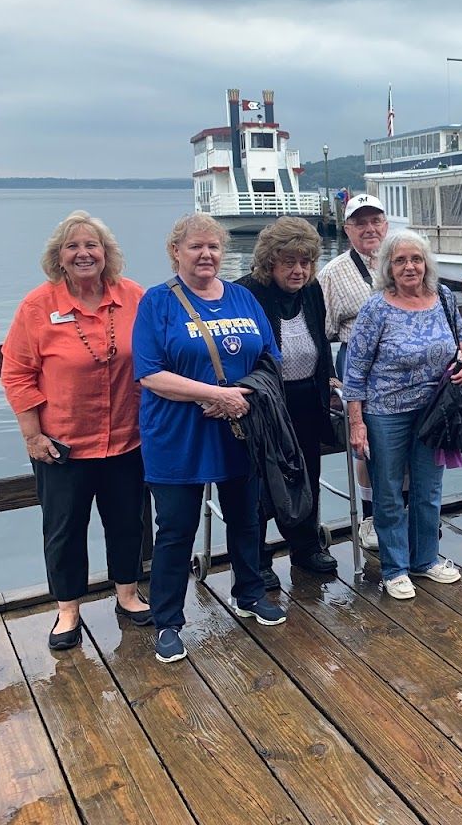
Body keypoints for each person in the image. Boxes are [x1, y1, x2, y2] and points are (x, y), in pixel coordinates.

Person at [134, 213, 286, 664]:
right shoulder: (157, 303)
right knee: (176, 530)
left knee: (245, 517)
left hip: (239, 428)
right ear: (176, 252)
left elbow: (270, 358)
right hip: (178, 435)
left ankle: (249, 592)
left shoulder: (242, 297)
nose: (206, 255)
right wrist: (213, 393)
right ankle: (168, 621)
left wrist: (238, 397)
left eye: (214, 247)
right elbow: (150, 373)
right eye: (196, 247)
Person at [1, 211, 151, 650]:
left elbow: (161, 352)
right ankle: (68, 609)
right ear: (59, 258)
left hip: (128, 437)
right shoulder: (36, 307)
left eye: (92, 245)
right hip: (61, 444)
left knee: (128, 521)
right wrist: (33, 435)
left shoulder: (135, 297)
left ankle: (128, 593)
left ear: (107, 254)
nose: (83, 253)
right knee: (64, 529)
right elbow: (16, 374)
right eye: (73, 247)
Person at [344, 231, 462, 597]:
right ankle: (395, 568)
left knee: (429, 488)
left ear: (426, 263)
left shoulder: (443, 297)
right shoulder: (375, 308)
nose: (409, 266)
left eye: (416, 259)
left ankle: (425, 560)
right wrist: (357, 422)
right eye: (400, 260)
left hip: (436, 409)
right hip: (387, 412)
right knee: (388, 492)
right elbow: (355, 370)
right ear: (388, 267)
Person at [237, 217, 338, 589]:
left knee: (306, 474)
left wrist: (328, 380)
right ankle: (258, 558)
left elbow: (321, 340)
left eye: (306, 262)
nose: (299, 270)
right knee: (262, 481)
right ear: (269, 262)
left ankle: (305, 546)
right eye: (289, 262)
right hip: (265, 405)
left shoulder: (311, 291)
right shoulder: (245, 293)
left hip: (306, 399)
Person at [318, 192, 387, 551]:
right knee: (368, 442)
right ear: (347, 229)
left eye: (375, 221)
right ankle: (371, 518)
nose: (369, 229)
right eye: (360, 223)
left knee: (404, 440)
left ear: (386, 224)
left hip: (403, 369)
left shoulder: (401, 258)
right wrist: (332, 378)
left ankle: (401, 512)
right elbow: (323, 330)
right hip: (359, 366)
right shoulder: (332, 273)